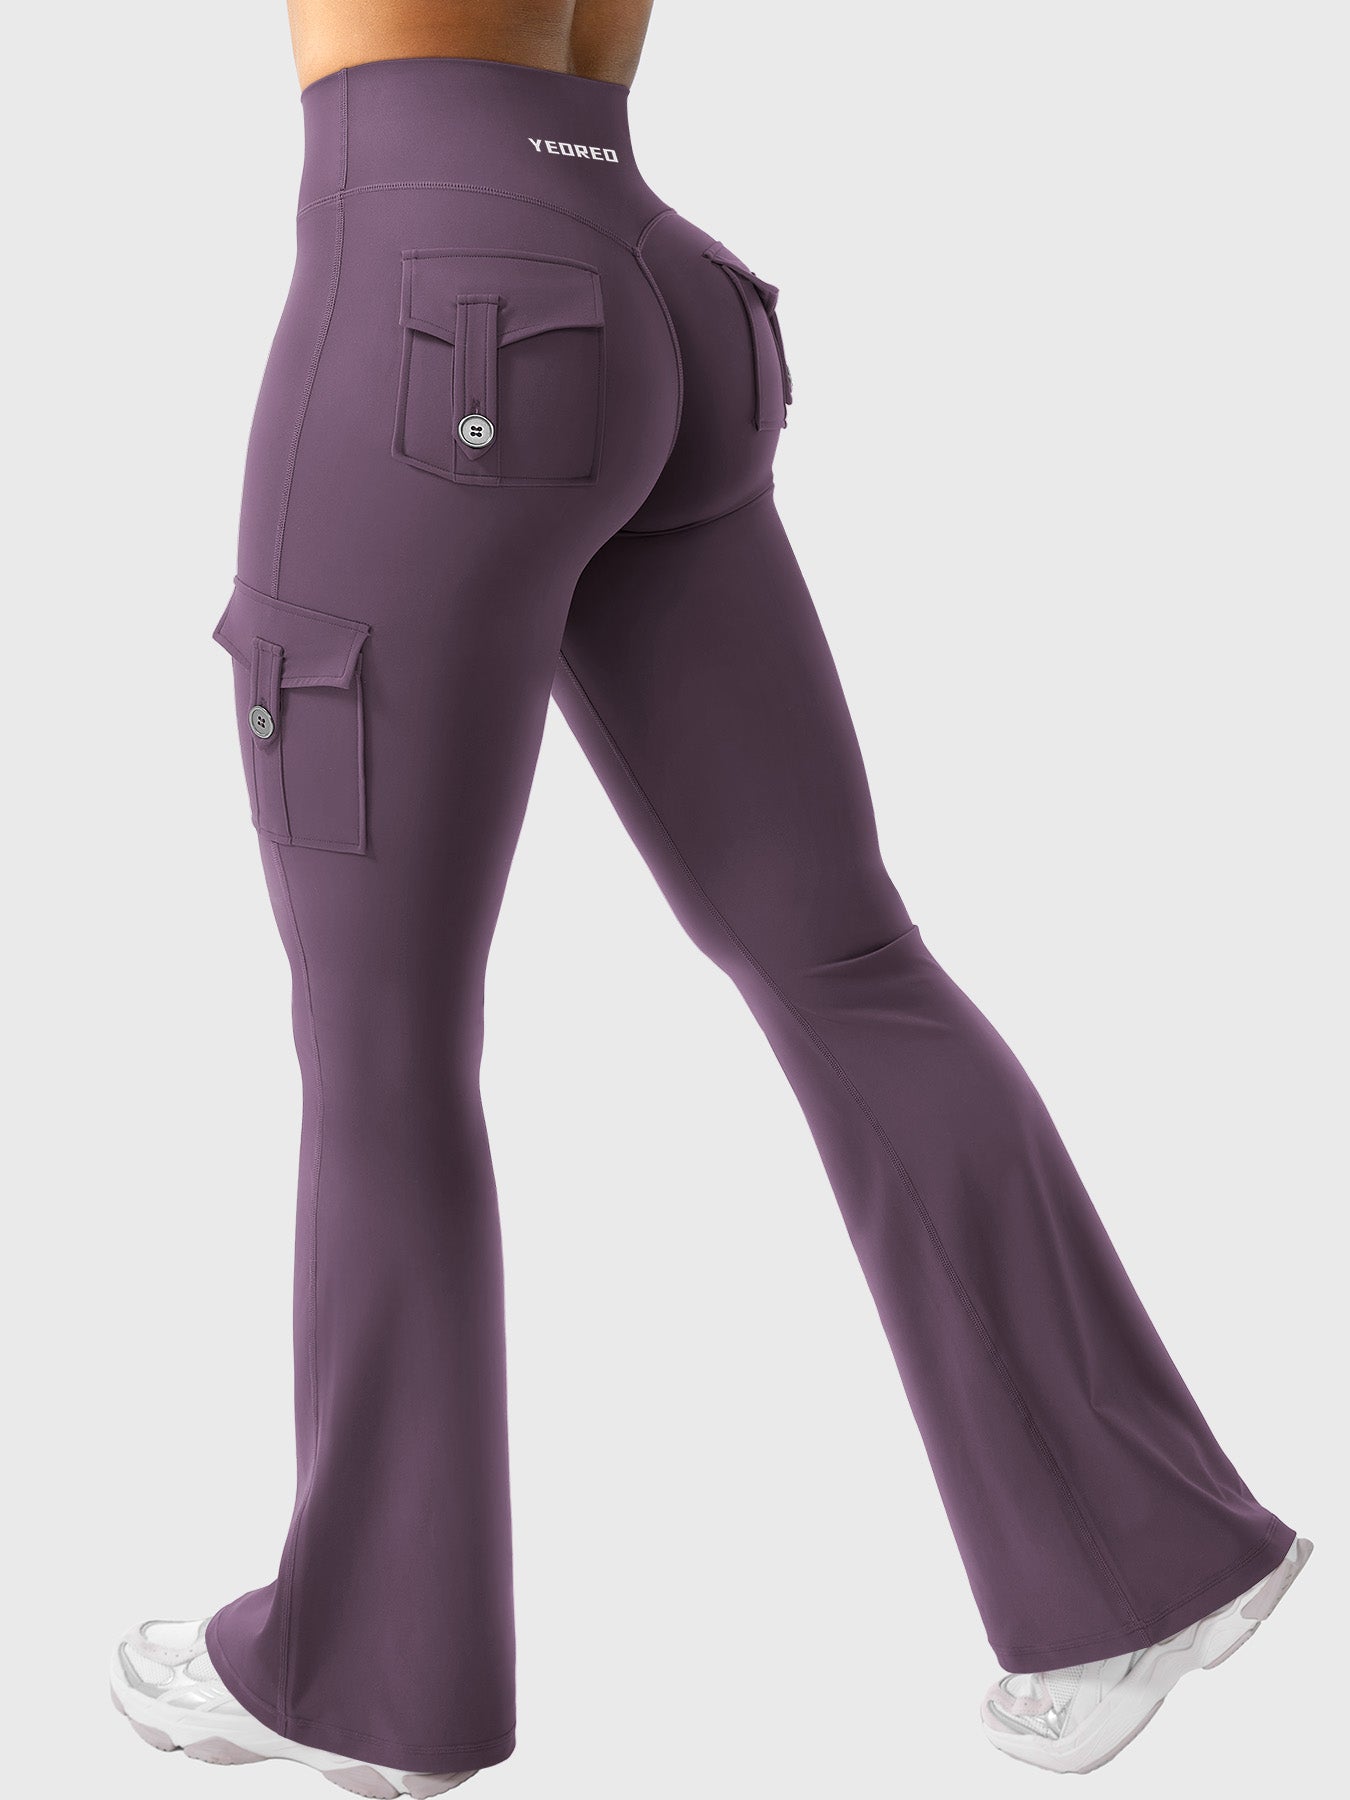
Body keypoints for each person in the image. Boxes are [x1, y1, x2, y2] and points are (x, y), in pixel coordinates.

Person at [108, 2, 1311, 1790]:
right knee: (844, 951)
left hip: (435, 304)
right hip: (652, 290)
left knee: (381, 1038)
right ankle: (1143, 1558)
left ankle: (365, 1683)